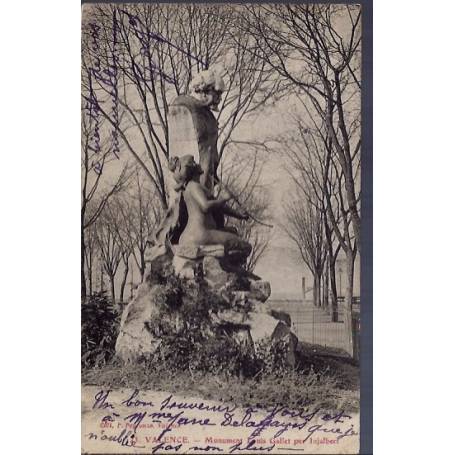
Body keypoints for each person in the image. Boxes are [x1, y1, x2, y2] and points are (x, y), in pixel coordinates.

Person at [169, 155, 252, 260]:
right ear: (194, 170)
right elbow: (205, 206)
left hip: (192, 236)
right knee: (245, 246)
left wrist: (239, 215)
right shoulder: (194, 186)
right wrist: (223, 198)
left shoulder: (192, 187)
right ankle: (221, 265)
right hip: (200, 235)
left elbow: (219, 207)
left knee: (233, 232)